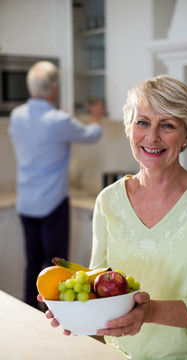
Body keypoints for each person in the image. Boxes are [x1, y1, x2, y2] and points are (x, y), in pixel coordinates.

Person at [39, 75, 187, 359]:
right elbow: (96, 284)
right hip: (122, 354)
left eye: (167, 125)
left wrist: (151, 312)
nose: (152, 137)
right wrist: (74, 312)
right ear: (129, 128)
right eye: (142, 122)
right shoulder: (108, 200)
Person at [9, 61, 103, 309]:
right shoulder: (59, 120)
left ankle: (30, 310)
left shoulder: (17, 116)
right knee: (56, 266)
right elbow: (92, 135)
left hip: (26, 202)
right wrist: (96, 117)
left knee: (33, 262)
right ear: (53, 89)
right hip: (52, 202)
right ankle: (58, 314)